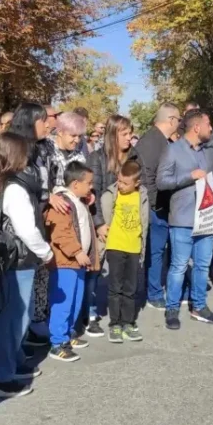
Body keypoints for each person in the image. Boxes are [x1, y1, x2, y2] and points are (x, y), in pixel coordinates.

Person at [0, 131, 52, 398]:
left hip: (3, 258)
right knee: (15, 319)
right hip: (18, 259)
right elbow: (27, 229)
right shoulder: (15, 187)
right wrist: (45, 251)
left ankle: (12, 363)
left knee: (11, 316)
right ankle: (0, 376)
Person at [157, 109, 213, 329]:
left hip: (207, 218)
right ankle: (172, 309)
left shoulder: (208, 153)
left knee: (203, 266)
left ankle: (199, 306)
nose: (210, 129)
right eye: (207, 125)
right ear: (197, 127)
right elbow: (161, 182)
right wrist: (189, 177)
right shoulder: (172, 150)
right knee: (178, 266)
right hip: (183, 218)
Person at [7, 104, 57, 348]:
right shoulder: (16, 151)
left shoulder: (39, 149)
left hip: (37, 218)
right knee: (17, 305)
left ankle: (24, 339)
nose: (48, 124)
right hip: (18, 237)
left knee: (33, 287)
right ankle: (8, 359)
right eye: (43, 120)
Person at [87, 115, 137, 337]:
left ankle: (123, 317)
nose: (129, 138)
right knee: (95, 271)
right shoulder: (97, 158)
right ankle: (89, 314)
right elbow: (93, 193)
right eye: (124, 134)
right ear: (112, 135)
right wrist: (99, 223)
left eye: (130, 133)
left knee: (121, 275)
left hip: (126, 227)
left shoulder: (134, 157)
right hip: (104, 225)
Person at [44, 161, 97, 362]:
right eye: (88, 183)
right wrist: (76, 252)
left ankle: (68, 334)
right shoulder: (63, 203)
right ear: (76, 184)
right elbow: (61, 234)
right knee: (63, 304)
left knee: (75, 301)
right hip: (66, 262)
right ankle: (57, 343)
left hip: (78, 262)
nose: (91, 187)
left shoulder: (78, 200)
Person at [134, 103, 181, 310]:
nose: (179, 124)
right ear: (171, 120)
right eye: (178, 120)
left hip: (157, 204)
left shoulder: (158, 139)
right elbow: (149, 177)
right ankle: (153, 293)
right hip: (156, 206)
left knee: (157, 251)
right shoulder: (154, 142)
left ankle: (153, 289)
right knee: (155, 251)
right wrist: (156, 205)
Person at [100, 160, 148, 343]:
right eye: (119, 181)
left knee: (130, 288)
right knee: (115, 287)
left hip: (134, 247)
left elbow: (144, 222)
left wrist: (142, 247)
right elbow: (105, 214)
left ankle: (128, 322)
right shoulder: (113, 194)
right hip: (116, 246)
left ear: (137, 183)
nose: (120, 185)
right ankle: (115, 324)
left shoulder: (141, 196)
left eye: (125, 183)